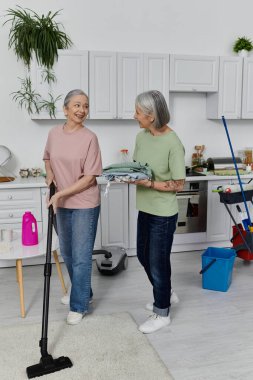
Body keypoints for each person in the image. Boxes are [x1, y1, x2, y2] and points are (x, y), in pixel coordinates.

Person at [43, 89, 102, 325]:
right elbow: (47, 158)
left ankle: (79, 305)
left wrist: (60, 195)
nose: (82, 110)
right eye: (77, 105)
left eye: (85, 106)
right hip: (61, 201)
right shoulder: (54, 133)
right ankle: (83, 291)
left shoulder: (90, 138)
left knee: (81, 256)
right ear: (65, 109)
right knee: (67, 252)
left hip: (84, 203)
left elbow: (89, 178)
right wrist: (50, 176)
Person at [132, 90, 185, 334]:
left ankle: (162, 312)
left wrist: (150, 184)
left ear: (152, 116)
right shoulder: (142, 136)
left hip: (163, 213)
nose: (135, 116)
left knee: (158, 261)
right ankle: (167, 293)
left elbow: (178, 183)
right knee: (143, 256)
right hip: (145, 207)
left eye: (138, 112)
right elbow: (138, 167)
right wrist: (126, 174)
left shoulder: (173, 142)